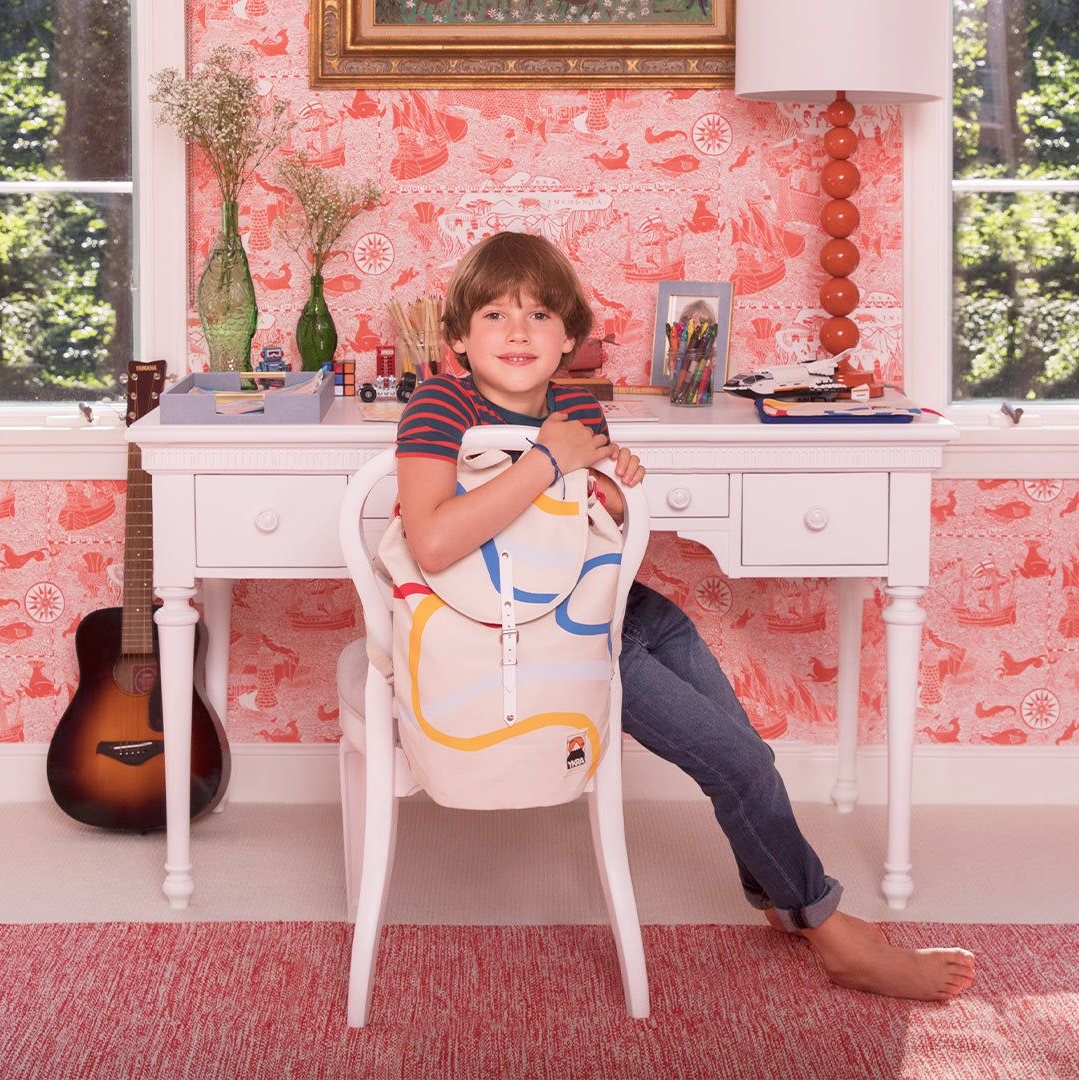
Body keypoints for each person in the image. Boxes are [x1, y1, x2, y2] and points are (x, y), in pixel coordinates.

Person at [393, 231, 976, 1003]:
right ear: (457, 339)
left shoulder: (571, 402)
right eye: (495, 316)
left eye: (538, 316)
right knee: (739, 764)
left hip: (610, 609)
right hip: (536, 643)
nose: (517, 333)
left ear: (570, 336)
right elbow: (432, 542)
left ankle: (783, 894)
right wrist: (551, 462)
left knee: (738, 738)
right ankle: (829, 930)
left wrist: (608, 488)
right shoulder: (442, 403)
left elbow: (580, 526)